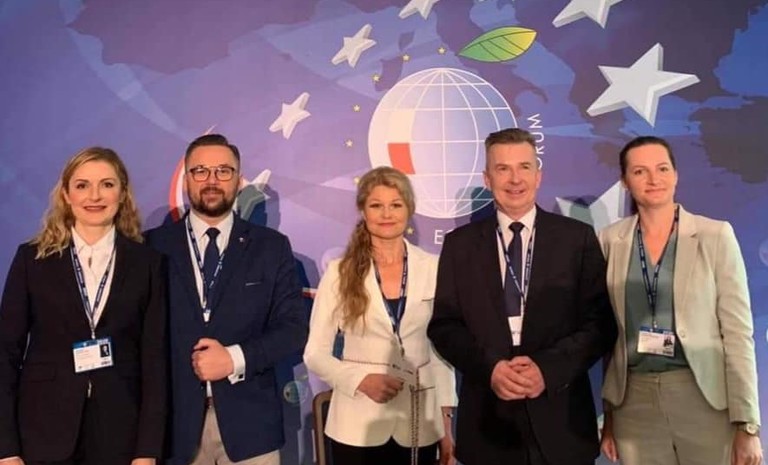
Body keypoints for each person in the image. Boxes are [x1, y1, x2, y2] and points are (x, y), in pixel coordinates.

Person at [428, 128, 617, 465]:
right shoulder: (460, 245)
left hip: (562, 423)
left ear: (538, 176)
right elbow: (444, 327)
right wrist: (490, 369)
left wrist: (548, 369)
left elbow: (601, 323)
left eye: (524, 167)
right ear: (487, 179)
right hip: (487, 426)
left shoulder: (577, 239)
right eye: (503, 169)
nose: (515, 179)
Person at [597, 136, 762, 465]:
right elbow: (607, 336)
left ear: (676, 175)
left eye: (662, 169)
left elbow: (738, 334)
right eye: (640, 171)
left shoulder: (715, 235)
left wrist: (747, 424)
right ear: (625, 181)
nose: (653, 179)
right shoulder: (610, 240)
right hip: (634, 404)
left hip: (703, 397)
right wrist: (610, 415)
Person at [144, 134, 307, 465]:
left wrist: (234, 359)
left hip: (252, 428)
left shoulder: (271, 247)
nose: (212, 181)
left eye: (223, 171)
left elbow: (293, 329)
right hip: (173, 430)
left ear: (238, 179)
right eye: (200, 171)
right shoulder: (151, 247)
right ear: (186, 179)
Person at [0, 147, 167, 465]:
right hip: (42, 432)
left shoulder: (148, 263)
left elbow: (154, 361)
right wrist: (6, 449)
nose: (94, 196)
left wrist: (147, 451)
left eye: (107, 184)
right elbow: (5, 353)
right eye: (82, 185)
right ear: (66, 194)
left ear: (122, 192)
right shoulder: (32, 260)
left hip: (120, 433)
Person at [304, 167, 457, 465]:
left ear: (409, 209)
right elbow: (315, 354)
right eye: (376, 205)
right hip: (356, 425)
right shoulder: (339, 272)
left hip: (419, 425)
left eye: (395, 205)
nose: (387, 214)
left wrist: (444, 426)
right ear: (363, 210)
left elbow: (439, 353)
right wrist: (361, 380)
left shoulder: (433, 268)